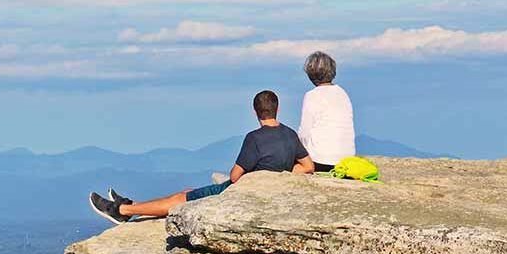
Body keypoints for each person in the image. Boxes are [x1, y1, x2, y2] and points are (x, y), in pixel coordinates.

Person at [88, 90, 315, 224]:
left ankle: (122, 211)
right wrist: (280, 174)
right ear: (277, 109)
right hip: (266, 190)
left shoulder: (255, 138)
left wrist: (260, 176)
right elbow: (308, 166)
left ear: (255, 111)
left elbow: (235, 177)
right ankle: (133, 205)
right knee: (188, 192)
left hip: (242, 192)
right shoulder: (289, 134)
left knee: (181, 199)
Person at [297, 51, 356, 173]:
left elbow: (304, 133)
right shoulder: (342, 93)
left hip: (321, 160)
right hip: (346, 161)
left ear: (311, 74)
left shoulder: (312, 95)